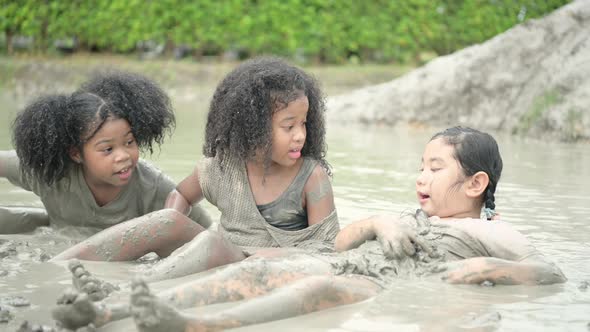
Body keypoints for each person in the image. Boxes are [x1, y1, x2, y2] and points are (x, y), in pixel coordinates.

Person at [50, 126, 566, 331]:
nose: (420, 177)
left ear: (476, 183)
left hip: (394, 282)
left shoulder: (499, 234)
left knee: (316, 285)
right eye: (421, 166)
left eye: (435, 168)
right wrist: (374, 222)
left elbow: (551, 273)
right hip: (350, 261)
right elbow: (333, 242)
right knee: (276, 269)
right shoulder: (410, 218)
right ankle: (108, 307)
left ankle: (198, 326)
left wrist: (493, 266)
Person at [50, 57, 339, 279]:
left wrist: (257, 256)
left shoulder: (311, 178)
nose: (300, 134)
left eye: (303, 123)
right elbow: (182, 194)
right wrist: (173, 224)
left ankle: (138, 283)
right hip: (213, 253)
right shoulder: (221, 169)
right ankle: (61, 265)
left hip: (261, 263)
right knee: (166, 220)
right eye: (288, 126)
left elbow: (326, 251)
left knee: (209, 244)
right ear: (251, 128)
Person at [0, 71, 212, 260]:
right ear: (76, 154)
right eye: (107, 149)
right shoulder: (50, 172)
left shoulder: (152, 187)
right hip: (51, 237)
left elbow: (206, 231)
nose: (123, 156)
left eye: (129, 142)